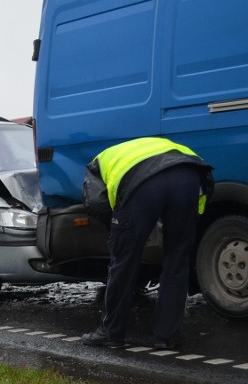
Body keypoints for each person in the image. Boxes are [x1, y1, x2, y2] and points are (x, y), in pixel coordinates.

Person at [81, 137, 213, 350]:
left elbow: (96, 202)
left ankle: (111, 332)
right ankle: (167, 336)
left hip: (143, 182)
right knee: (177, 260)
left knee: (123, 261)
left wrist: (118, 230)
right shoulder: (150, 148)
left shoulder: (97, 164)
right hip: (190, 173)